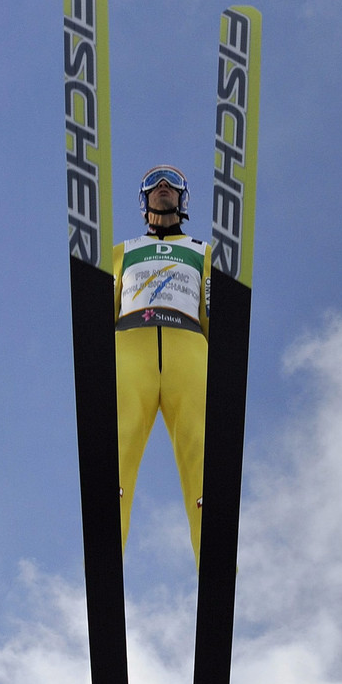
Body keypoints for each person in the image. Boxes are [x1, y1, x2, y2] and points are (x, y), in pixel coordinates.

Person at [113, 165, 211, 568]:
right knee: (115, 447)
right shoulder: (122, 250)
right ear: (144, 200)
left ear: (183, 199)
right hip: (130, 342)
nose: (163, 186)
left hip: (188, 344)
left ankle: (214, 559)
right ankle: (106, 553)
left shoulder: (205, 251)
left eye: (172, 184)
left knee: (203, 452)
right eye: (154, 184)